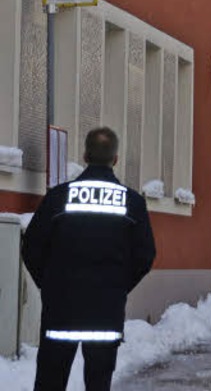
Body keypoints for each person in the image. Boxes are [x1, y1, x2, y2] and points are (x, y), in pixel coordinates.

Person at [22, 126, 156, 391]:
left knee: (50, 381)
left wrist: (49, 285)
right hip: (105, 314)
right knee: (98, 384)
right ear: (115, 159)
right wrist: (118, 286)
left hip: (60, 312)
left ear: (85, 155)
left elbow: (32, 248)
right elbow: (145, 255)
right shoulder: (132, 202)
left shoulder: (58, 197)